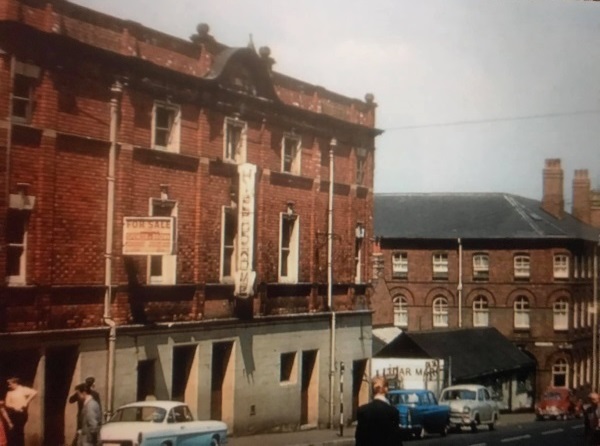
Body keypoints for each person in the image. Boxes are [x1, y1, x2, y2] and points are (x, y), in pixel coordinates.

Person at [355, 376, 403, 446]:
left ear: (372, 390)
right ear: (386, 389)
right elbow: (396, 440)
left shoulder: (362, 410)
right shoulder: (393, 412)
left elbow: (359, 438)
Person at [5, 377, 37, 446]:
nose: (9, 386)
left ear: (15, 383)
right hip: (14, 413)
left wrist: (26, 401)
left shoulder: (22, 389)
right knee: (14, 430)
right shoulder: (9, 393)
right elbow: (7, 403)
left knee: (20, 430)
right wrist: (14, 407)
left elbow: (34, 392)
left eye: (10, 384)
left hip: (21, 413)